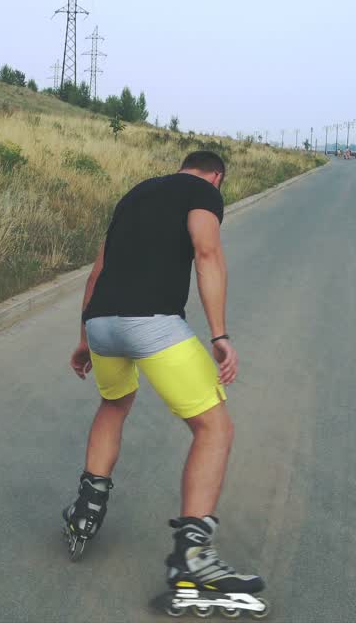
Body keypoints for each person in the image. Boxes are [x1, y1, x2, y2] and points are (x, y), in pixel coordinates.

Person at [62, 150, 264, 599]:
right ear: (217, 176)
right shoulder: (202, 193)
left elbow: (98, 271)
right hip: (152, 323)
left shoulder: (133, 195)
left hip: (102, 323)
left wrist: (84, 337)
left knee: (114, 404)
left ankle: (87, 508)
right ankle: (192, 559)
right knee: (214, 427)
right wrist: (219, 334)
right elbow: (207, 252)